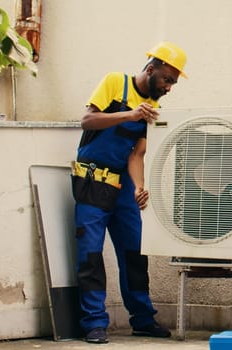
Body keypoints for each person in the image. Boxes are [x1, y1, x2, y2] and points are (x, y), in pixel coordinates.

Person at [70, 41, 188, 344]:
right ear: (151, 70)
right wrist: (129, 115)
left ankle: (142, 319)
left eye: (173, 82)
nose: (170, 87)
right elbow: (87, 119)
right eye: (167, 79)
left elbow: (136, 154)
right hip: (93, 181)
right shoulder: (115, 83)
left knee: (135, 252)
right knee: (91, 255)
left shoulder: (154, 108)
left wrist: (139, 186)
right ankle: (94, 323)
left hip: (123, 186)